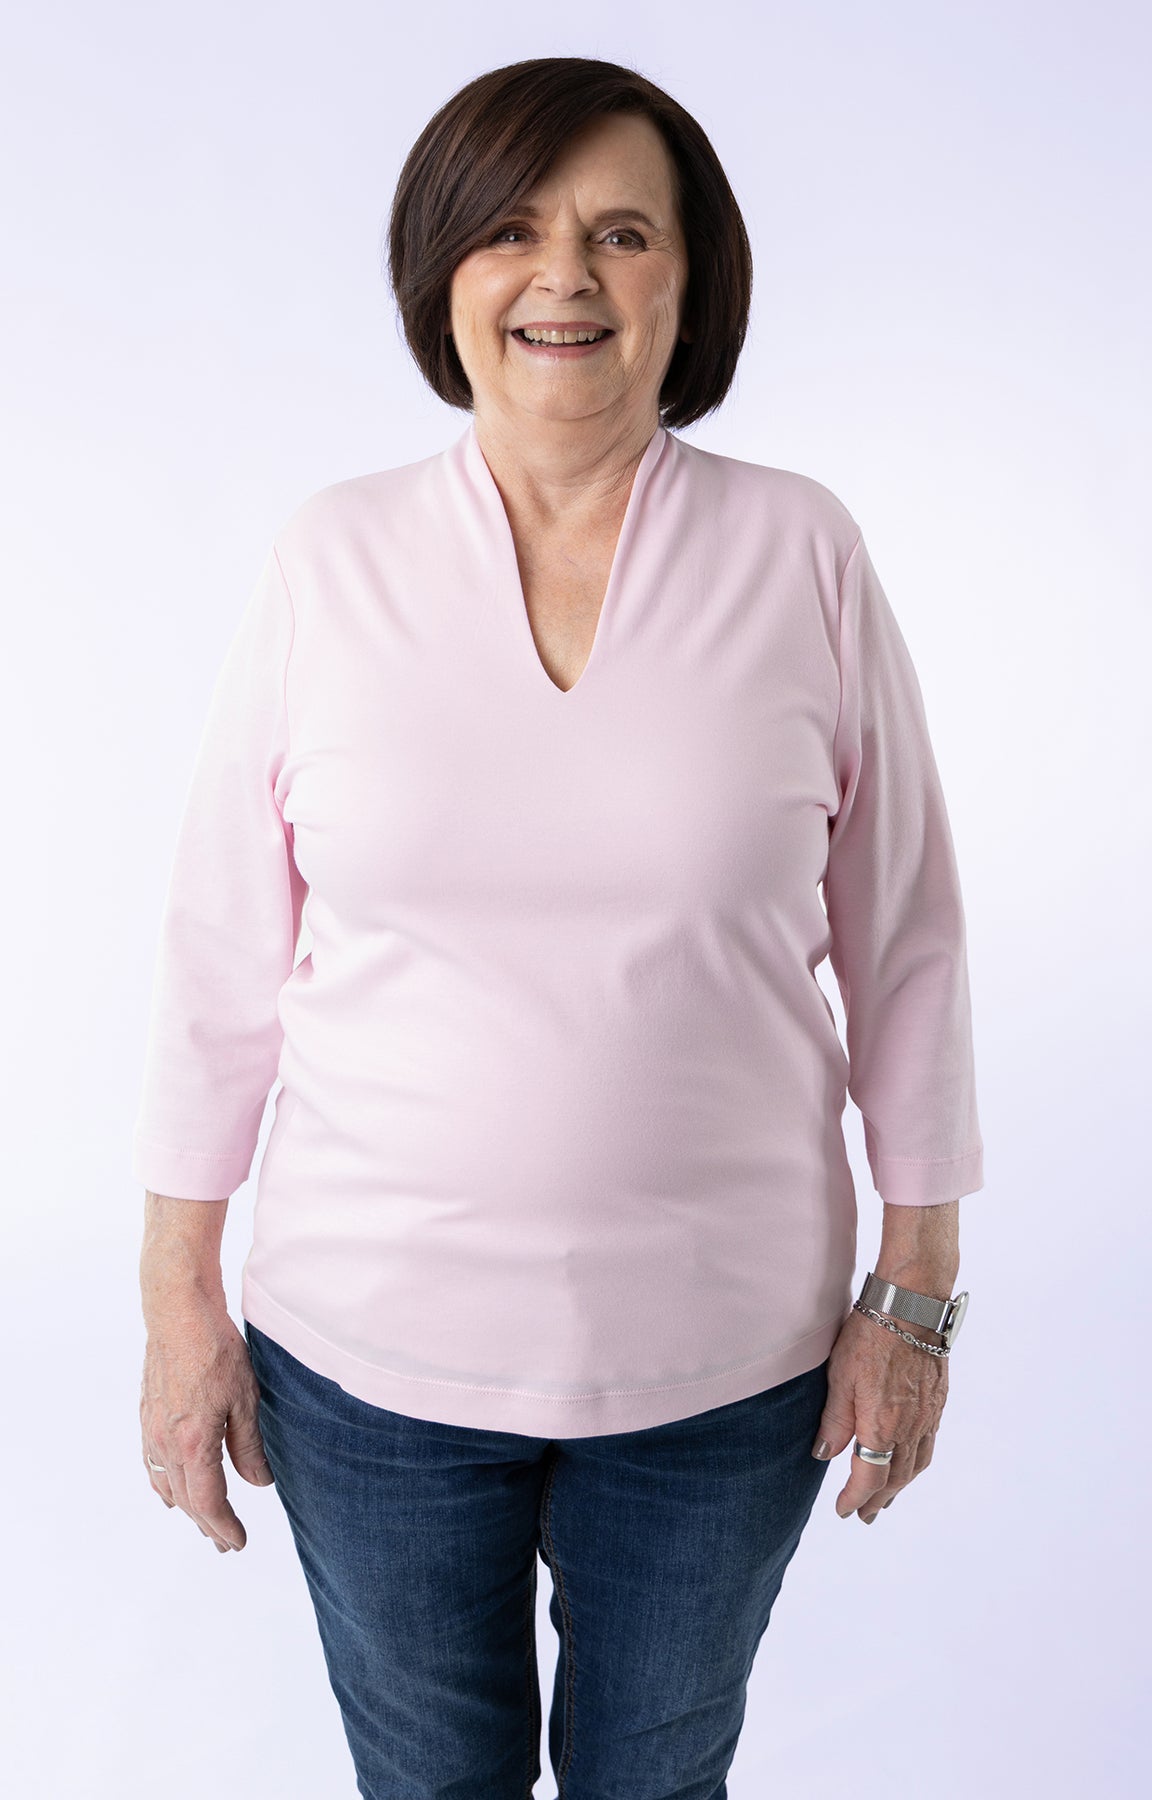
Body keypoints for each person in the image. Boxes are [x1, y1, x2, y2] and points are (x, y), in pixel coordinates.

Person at [134, 55, 984, 1799]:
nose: (564, 278)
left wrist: (916, 1297)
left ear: (690, 279)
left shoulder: (802, 553)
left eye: (622, 233)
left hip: (724, 1371)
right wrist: (177, 1305)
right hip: (369, 1368)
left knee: (656, 1781)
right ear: (444, 272)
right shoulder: (329, 561)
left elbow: (907, 945)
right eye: (511, 231)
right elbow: (219, 962)